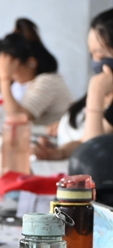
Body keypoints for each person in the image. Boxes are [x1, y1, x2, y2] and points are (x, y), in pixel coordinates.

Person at [33, 8, 113, 160]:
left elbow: (93, 156)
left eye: (101, 56)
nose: (95, 63)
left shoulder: (99, 90)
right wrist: (59, 152)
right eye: (92, 55)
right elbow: (87, 140)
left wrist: (95, 93)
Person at [0, 18, 73, 126]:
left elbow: (17, 119)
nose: (12, 76)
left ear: (32, 63)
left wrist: (4, 78)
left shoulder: (47, 82)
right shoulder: (31, 84)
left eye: (12, 69)